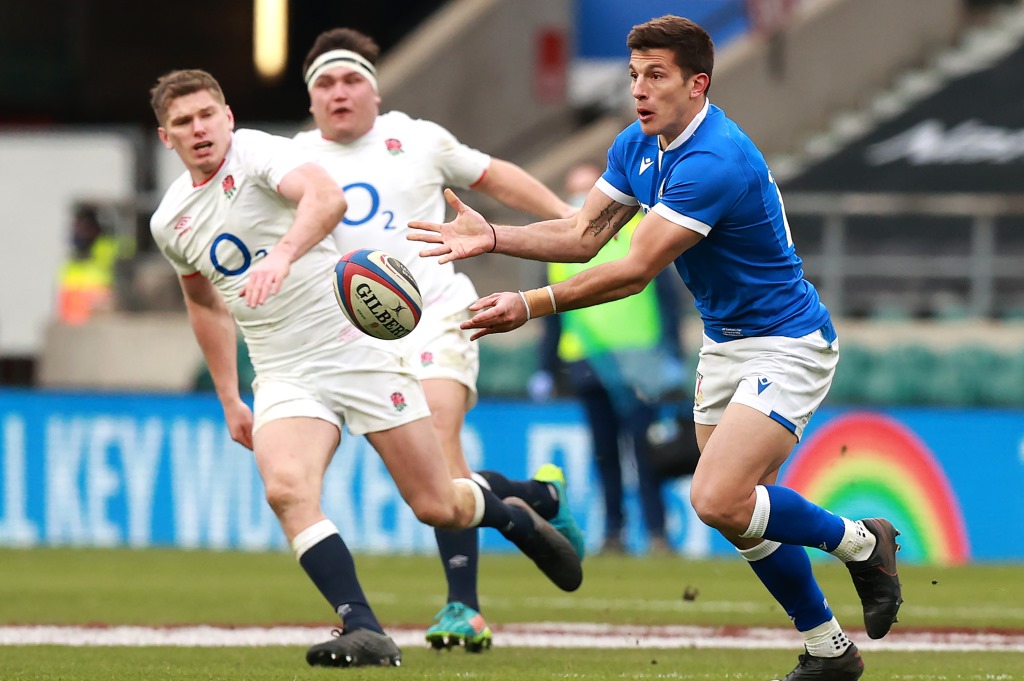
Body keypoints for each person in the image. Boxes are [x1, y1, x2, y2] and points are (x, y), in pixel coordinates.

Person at [409, 15, 902, 681]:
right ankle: (827, 647)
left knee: (718, 498)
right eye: (634, 74)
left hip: (786, 343)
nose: (639, 88)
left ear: (698, 84)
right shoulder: (637, 147)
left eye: (657, 76)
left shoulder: (713, 159)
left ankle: (862, 541)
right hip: (727, 344)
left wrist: (529, 305)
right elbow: (584, 234)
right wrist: (494, 235)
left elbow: (634, 268)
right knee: (743, 512)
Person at [147, 69, 582, 669]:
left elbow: (328, 199)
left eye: (206, 115)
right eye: (182, 123)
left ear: (227, 116)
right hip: (284, 370)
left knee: (435, 504)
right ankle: (363, 627)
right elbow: (202, 304)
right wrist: (229, 396)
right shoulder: (171, 221)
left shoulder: (260, 153)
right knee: (285, 489)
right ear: (166, 139)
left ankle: (514, 519)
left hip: (358, 350)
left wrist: (283, 252)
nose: (198, 130)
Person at [293, 27, 585, 653]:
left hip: (440, 315)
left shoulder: (416, 139)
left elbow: (497, 176)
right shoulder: (293, 161)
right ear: (312, 100)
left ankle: (464, 609)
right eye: (325, 83)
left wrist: (572, 223)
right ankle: (535, 497)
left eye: (351, 81)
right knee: (437, 482)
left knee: (438, 442)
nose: (338, 93)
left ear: (373, 93)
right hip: (360, 340)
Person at [530, 161, 685, 556]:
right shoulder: (561, 246)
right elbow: (552, 311)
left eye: (587, 188)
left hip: (637, 363)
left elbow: (668, 299)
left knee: (647, 452)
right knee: (606, 455)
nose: (580, 199)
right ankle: (614, 533)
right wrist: (546, 367)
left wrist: (671, 353)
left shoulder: (638, 231)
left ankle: (657, 534)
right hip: (587, 364)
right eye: (574, 190)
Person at [57, 206, 120, 324]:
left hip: (99, 329)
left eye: (85, 226)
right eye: (77, 226)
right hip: (73, 330)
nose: (80, 231)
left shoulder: (108, 252)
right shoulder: (70, 264)